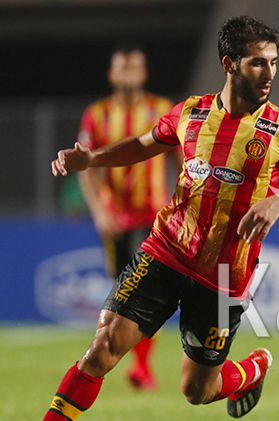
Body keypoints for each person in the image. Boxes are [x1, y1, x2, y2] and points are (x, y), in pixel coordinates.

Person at [7, 16, 279, 421]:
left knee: (198, 391)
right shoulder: (189, 114)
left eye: (273, 63)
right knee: (100, 349)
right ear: (229, 64)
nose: (269, 73)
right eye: (258, 62)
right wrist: (93, 159)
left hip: (223, 278)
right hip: (164, 251)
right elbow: (141, 146)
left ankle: (252, 369)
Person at [78, 42, 177, 391]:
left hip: (153, 214)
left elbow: (181, 160)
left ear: (144, 73)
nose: (128, 74)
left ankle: (141, 366)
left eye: (134, 68)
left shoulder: (162, 110)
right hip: (115, 218)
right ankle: (133, 362)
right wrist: (99, 211)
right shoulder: (97, 114)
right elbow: (86, 167)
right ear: (111, 73)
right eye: (122, 68)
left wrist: (182, 203)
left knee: (146, 287)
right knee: (123, 288)